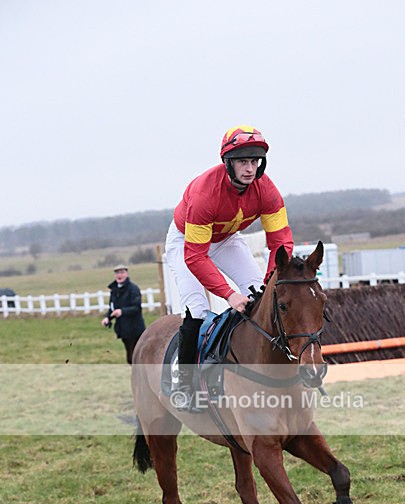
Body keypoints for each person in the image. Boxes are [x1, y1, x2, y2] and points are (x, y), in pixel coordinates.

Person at [165, 124, 294, 409]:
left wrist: (272, 280)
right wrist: (229, 295)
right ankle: (184, 386)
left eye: (254, 161)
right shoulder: (204, 193)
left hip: (226, 240)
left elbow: (281, 243)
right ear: (228, 163)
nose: (249, 169)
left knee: (261, 295)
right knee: (197, 308)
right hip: (187, 243)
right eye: (242, 162)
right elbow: (196, 256)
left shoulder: (267, 190)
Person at [101, 265, 146, 364]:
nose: (119, 275)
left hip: (135, 329)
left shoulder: (133, 289)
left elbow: (136, 307)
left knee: (134, 358)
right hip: (123, 330)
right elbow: (112, 308)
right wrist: (107, 318)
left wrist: (122, 311)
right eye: (117, 273)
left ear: (127, 273)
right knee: (131, 358)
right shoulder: (114, 290)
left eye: (121, 272)